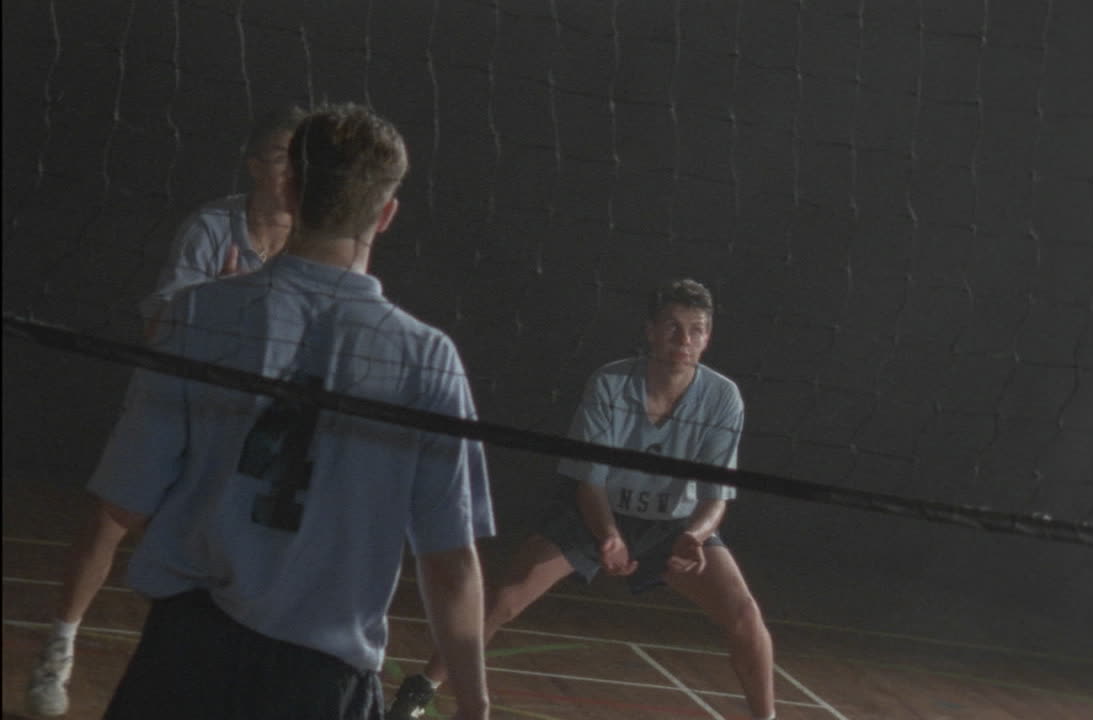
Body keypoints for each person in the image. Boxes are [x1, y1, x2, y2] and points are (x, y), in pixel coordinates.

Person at [84, 104, 493, 719]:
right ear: (385, 215)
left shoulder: (199, 315)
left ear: (292, 189)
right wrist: (475, 705)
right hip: (321, 681)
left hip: (188, 656)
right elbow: (452, 565)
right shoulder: (427, 359)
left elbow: (123, 502)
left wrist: (225, 534)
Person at [25, 106, 305, 717]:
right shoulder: (212, 226)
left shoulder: (314, 238)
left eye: (303, 157)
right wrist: (221, 302)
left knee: (220, 543)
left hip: (245, 414)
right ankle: (57, 652)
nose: (294, 170)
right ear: (257, 164)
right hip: (169, 395)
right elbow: (159, 325)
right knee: (112, 518)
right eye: (284, 154)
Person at [391, 278, 776, 720]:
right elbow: (588, 482)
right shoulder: (610, 383)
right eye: (672, 326)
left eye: (697, 329)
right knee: (506, 598)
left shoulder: (723, 397)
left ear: (708, 337)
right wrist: (608, 535)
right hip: (594, 513)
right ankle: (421, 688)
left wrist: (695, 534)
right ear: (650, 330)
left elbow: (716, 494)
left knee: (746, 617)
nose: (684, 339)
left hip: (673, 525)